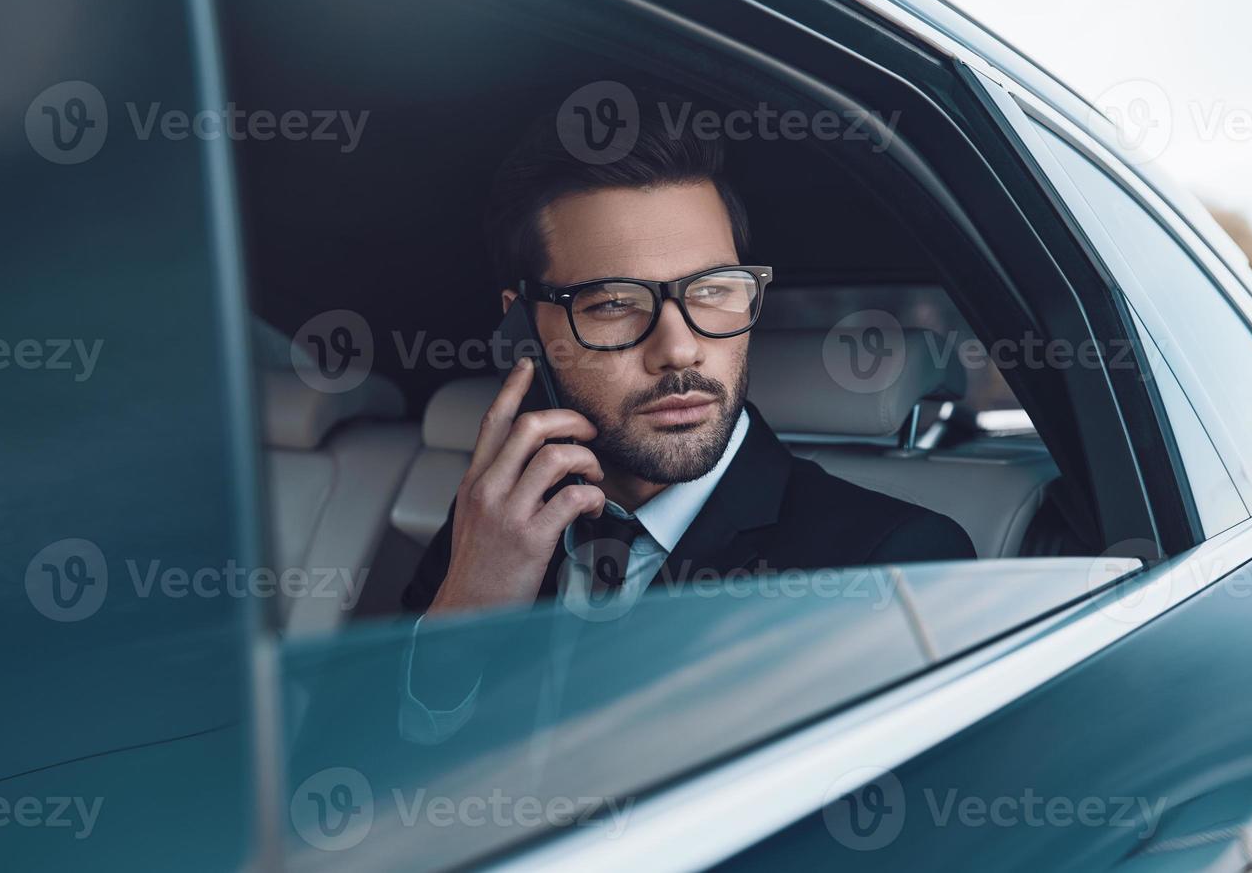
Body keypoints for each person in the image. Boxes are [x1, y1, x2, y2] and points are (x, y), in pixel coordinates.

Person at [401, 93, 974, 624]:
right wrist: (467, 614)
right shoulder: (493, 523)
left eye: (711, 289)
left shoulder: (892, 564)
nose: (678, 350)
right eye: (616, 303)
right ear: (522, 325)